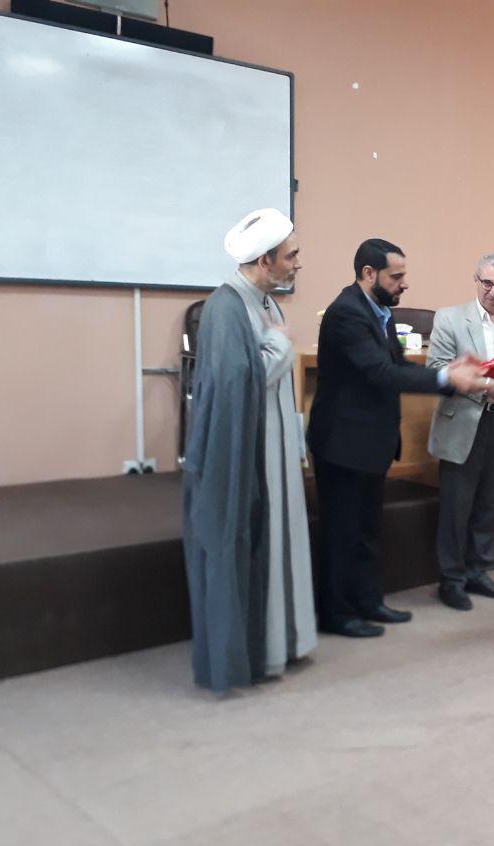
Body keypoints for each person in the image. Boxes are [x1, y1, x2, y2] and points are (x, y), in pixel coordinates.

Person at [306, 238, 483, 638]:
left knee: (368, 529)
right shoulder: (346, 313)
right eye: (396, 276)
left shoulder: (380, 312)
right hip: (343, 443)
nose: (404, 284)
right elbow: (380, 373)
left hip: (371, 442)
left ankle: (369, 601)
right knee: (342, 533)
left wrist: (448, 372)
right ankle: (338, 614)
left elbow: (398, 364)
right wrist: (446, 380)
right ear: (369, 273)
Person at [183, 208, 317, 692]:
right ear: (265, 260)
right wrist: (278, 348)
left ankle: (283, 643)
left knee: (284, 542)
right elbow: (234, 383)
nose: (298, 263)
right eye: (291, 255)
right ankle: (256, 650)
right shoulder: (225, 307)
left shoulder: (267, 304)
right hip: (248, 454)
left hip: (275, 448)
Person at [426, 254, 494, 611]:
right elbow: (436, 369)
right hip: (464, 421)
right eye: (488, 283)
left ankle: (478, 571)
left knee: (488, 504)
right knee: (456, 506)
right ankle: (451, 580)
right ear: (477, 280)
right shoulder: (450, 318)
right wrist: (485, 386)